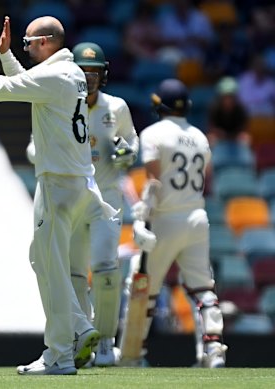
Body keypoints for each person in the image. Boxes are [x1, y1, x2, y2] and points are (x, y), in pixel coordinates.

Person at [0, 16, 118, 375]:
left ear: (44, 43)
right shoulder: (68, 74)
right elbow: (26, 83)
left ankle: (59, 355)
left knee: (51, 269)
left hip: (59, 185)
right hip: (77, 184)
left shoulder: (56, 77)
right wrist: (6, 54)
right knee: (41, 259)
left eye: (27, 44)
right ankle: (80, 327)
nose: (25, 49)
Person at [27, 42, 139, 367]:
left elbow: (132, 138)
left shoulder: (116, 107)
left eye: (95, 72)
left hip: (106, 196)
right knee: (74, 273)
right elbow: (36, 146)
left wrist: (127, 152)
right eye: (84, 71)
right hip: (75, 194)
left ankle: (105, 342)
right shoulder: (60, 99)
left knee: (105, 270)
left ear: (103, 75)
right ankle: (81, 340)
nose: (89, 78)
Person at [131, 78, 228, 368]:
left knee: (144, 287)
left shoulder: (153, 133)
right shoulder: (200, 136)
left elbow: (154, 182)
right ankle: (213, 352)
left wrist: (141, 217)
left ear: (159, 104)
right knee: (202, 288)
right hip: (197, 218)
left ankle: (136, 352)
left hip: (165, 218)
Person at [207, 76, 249, 145]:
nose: (228, 100)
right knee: (210, 138)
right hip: (219, 136)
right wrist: (220, 133)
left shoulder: (241, 109)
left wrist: (234, 135)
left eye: (231, 96)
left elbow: (243, 129)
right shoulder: (214, 108)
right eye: (225, 96)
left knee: (246, 138)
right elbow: (211, 127)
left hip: (235, 136)